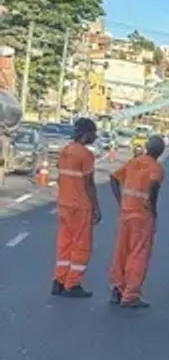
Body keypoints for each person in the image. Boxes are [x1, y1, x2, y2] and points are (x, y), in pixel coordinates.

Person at [108, 135, 166, 309]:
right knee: (138, 254)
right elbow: (153, 186)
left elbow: (113, 178)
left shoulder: (133, 162)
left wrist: (121, 201)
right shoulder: (157, 168)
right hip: (142, 216)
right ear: (160, 152)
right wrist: (152, 207)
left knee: (121, 252)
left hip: (126, 213)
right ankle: (131, 295)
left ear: (147, 148)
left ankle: (117, 289)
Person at [52, 117, 101, 298]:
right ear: (85, 134)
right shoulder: (86, 155)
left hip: (64, 204)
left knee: (64, 244)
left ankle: (59, 281)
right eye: (93, 133)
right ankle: (72, 284)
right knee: (81, 246)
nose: (94, 137)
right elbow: (89, 184)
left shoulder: (65, 151)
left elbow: (60, 175)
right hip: (80, 207)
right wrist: (96, 207)